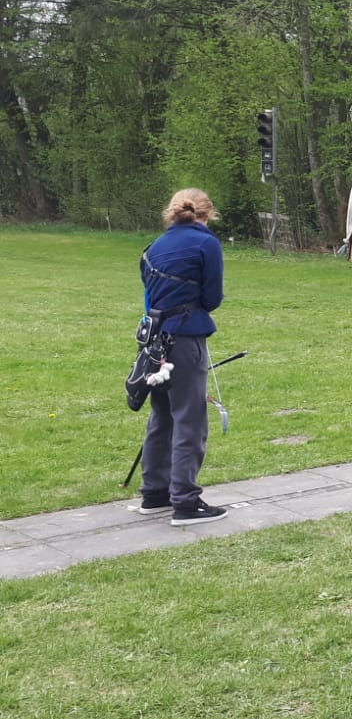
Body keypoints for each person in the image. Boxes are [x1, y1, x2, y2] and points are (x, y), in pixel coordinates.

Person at [137, 188, 228, 525]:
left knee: (162, 415)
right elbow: (212, 297)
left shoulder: (154, 247)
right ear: (208, 213)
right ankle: (185, 501)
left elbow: (150, 297)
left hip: (154, 339)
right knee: (190, 418)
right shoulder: (206, 243)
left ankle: (155, 492)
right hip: (185, 337)